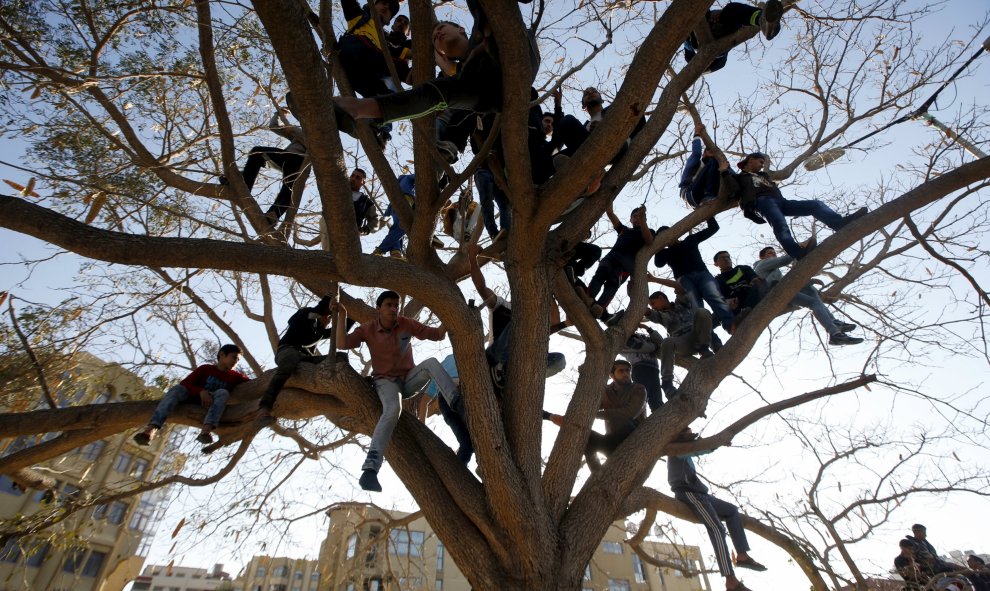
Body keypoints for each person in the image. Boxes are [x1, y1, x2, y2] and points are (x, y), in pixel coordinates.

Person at [332, 1, 538, 137]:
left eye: (441, 28)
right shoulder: (461, 74)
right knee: (435, 92)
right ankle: (358, 110)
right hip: (492, 92)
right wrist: (439, 59)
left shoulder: (478, 27)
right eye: (434, 38)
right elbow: (446, 79)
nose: (437, 34)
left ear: (460, 28)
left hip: (515, 57)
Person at [337, 291, 460, 492]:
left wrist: (447, 316)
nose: (394, 308)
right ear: (379, 308)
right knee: (393, 409)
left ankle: (456, 401)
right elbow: (342, 344)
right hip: (386, 382)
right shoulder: (367, 329)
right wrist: (342, 315)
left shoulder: (406, 324)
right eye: (389, 305)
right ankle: (370, 470)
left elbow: (437, 335)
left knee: (431, 363)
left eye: (396, 305)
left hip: (409, 380)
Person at [467, 243, 567, 388]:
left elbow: (553, 322)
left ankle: (526, 377)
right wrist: (472, 258)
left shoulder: (535, 317)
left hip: (520, 360)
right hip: (496, 355)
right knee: (520, 321)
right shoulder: (501, 305)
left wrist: (548, 290)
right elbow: (481, 288)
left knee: (559, 360)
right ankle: (501, 369)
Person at [736, 152, 867, 259]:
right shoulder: (740, 177)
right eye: (760, 162)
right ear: (751, 159)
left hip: (782, 201)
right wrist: (724, 171)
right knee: (780, 225)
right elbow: (730, 183)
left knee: (815, 204)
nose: (761, 166)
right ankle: (797, 252)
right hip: (763, 201)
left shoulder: (763, 175)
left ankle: (838, 223)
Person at [668, 454, 767, 591]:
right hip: (688, 493)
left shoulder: (687, 451)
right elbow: (701, 448)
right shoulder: (677, 449)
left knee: (732, 511)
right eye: (688, 431)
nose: (692, 435)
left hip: (703, 494)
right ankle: (730, 580)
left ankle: (742, 555)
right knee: (717, 528)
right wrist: (717, 443)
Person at [134, 344, 250, 447]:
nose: (236, 362)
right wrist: (201, 391)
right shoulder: (206, 368)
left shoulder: (235, 376)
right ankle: (150, 430)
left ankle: (206, 430)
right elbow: (184, 383)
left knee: (223, 393)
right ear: (222, 355)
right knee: (177, 389)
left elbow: (252, 383)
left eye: (238, 360)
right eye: (234, 357)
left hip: (211, 403)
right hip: (191, 397)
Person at [753, 246, 863, 346]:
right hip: (771, 294)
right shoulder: (762, 264)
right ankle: (834, 332)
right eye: (770, 253)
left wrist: (808, 282)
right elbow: (784, 260)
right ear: (762, 256)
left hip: (780, 292)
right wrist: (799, 248)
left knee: (810, 291)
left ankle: (834, 325)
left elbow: (789, 284)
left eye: (774, 253)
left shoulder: (776, 272)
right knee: (812, 302)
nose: (773, 255)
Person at [547, 360, 646, 470]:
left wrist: (597, 414)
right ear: (612, 375)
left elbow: (629, 413)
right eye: (621, 371)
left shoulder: (639, 389)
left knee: (620, 420)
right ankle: (598, 473)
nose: (626, 374)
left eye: (628, 371)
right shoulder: (606, 391)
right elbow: (588, 409)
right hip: (612, 442)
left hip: (634, 438)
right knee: (582, 434)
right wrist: (568, 420)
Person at [229, 104, 307, 228]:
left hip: (299, 161)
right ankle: (244, 184)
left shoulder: (314, 136)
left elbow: (304, 138)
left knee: (288, 189)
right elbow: (274, 127)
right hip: (285, 157)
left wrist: (292, 128)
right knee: (257, 152)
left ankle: (273, 214)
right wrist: (279, 114)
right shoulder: (297, 133)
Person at [256, 297, 337, 414]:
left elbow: (341, 329)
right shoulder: (305, 315)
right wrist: (330, 298)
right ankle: (266, 404)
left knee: (339, 358)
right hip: (288, 350)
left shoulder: (320, 332)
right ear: (322, 315)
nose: (329, 321)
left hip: (306, 358)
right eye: (328, 317)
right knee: (287, 366)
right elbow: (317, 310)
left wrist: (349, 314)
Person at [653, 217, 734, 334]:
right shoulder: (666, 252)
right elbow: (658, 263)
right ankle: (710, 339)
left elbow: (713, 228)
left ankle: (730, 325)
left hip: (702, 275)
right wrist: (658, 244)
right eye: (664, 238)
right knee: (698, 309)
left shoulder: (690, 240)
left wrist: (709, 215)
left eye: (669, 235)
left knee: (715, 297)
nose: (668, 238)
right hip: (684, 280)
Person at [585, 204, 655, 316]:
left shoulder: (647, 231)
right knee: (599, 275)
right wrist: (609, 210)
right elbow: (611, 215)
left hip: (625, 265)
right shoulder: (624, 230)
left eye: (640, 217)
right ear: (631, 219)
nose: (637, 218)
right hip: (611, 257)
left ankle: (600, 306)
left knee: (612, 285)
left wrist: (642, 221)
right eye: (635, 216)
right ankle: (589, 297)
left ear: (645, 219)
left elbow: (649, 240)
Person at [645, 290, 714, 398]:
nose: (653, 307)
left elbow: (681, 289)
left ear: (661, 298)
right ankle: (667, 383)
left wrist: (655, 279)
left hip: (697, 336)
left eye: (653, 303)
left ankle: (704, 349)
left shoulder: (681, 303)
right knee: (667, 341)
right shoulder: (660, 315)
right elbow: (649, 313)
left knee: (702, 312)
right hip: (683, 343)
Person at [683, 1, 784, 73]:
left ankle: (762, 19)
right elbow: (689, 52)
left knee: (731, 9)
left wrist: (718, 14)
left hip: (721, 34)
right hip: (702, 46)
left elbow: (729, 16)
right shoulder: (718, 63)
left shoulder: (723, 20)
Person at [419, 353, 474, 465]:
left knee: (467, 444)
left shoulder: (439, 371)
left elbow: (424, 401)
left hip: (444, 401)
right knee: (476, 434)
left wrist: (421, 428)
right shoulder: (467, 357)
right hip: (462, 391)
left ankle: (459, 474)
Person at [679, 124, 728, 208]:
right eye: (710, 152)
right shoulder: (695, 163)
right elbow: (696, 153)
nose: (713, 155)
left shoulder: (713, 169)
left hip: (700, 199)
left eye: (714, 154)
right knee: (713, 162)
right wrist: (697, 133)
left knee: (723, 171)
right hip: (689, 193)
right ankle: (708, 196)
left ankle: (709, 197)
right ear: (704, 153)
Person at [619, 327, 665, 411]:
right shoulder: (622, 341)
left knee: (657, 401)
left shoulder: (643, 337)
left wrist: (648, 329)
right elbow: (646, 347)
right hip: (640, 369)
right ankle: (636, 420)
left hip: (654, 370)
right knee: (640, 398)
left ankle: (661, 419)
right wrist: (653, 346)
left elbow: (661, 342)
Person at [372, 173, 415, 258]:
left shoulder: (397, 188)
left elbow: (388, 210)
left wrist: (384, 218)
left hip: (395, 205)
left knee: (397, 228)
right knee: (403, 226)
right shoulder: (407, 178)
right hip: (406, 200)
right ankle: (380, 250)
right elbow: (419, 176)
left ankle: (396, 252)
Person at [713, 251, 763, 320]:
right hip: (736, 306)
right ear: (716, 263)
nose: (726, 259)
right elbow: (720, 298)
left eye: (728, 257)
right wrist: (728, 301)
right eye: (722, 258)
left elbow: (754, 278)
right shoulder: (717, 280)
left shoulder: (743, 268)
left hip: (751, 295)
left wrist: (755, 280)